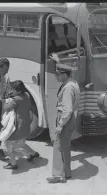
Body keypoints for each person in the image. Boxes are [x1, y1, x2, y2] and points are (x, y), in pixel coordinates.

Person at [46, 54, 81, 183]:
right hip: (70, 119)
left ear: (64, 75)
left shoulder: (67, 89)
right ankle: (67, 172)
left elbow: (67, 110)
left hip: (65, 119)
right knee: (65, 146)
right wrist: (58, 61)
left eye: (58, 74)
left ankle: (58, 175)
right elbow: (68, 69)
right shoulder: (72, 81)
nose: (56, 76)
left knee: (58, 146)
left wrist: (60, 125)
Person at [2, 80, 40, 170]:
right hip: (26, 124)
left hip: (18, 126)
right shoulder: (26, 95)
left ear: (18, 91)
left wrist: (5, 99)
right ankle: (32, 154)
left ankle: (13, 164)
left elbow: (6, 108)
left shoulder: (16, 100)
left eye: (13, 89)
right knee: (21, 143)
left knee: (8, 143)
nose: (11, 91)